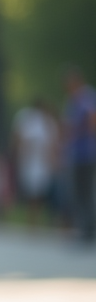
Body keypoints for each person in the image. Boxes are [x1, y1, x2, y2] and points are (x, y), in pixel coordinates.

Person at [11, 100, 58, 225]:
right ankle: (32, 217)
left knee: (40, 191)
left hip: (41, 162)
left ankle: (36, 217)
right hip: (29, 161)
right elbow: (19, 138)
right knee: (31, 191)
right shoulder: (26, 119)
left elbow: (52, 143)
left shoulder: (47, 122)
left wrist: (52, 159)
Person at [62, 68, 96, 243]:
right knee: (79, 193)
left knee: (85, 192)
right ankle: (85, 229)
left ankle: (88, 230)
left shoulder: (85, 97)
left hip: (86, 154)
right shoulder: (73, 100)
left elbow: (92, 118)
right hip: (76, 154)